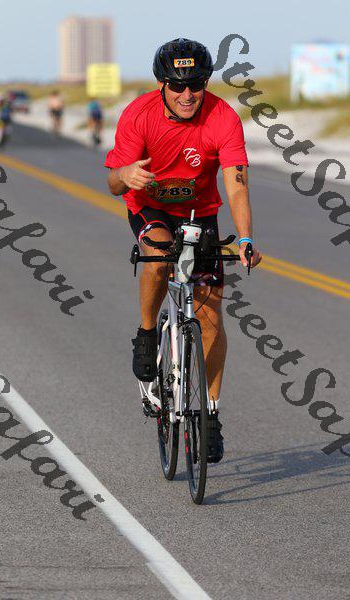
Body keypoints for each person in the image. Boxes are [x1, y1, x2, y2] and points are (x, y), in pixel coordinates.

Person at [105, 38, 261, 463]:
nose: (188, 94)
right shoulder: (139, 114)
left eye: (196, 84)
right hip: (150, 207)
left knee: (210, 314)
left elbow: (237, 184)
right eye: (177, 85)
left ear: (206, 82)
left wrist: (245, 237)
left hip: (199, 211)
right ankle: (147, 334)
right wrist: (125, 173)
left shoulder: (223, 117)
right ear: (162, 84)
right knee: (157, 257)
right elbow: (113, 183)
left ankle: (210, 413)